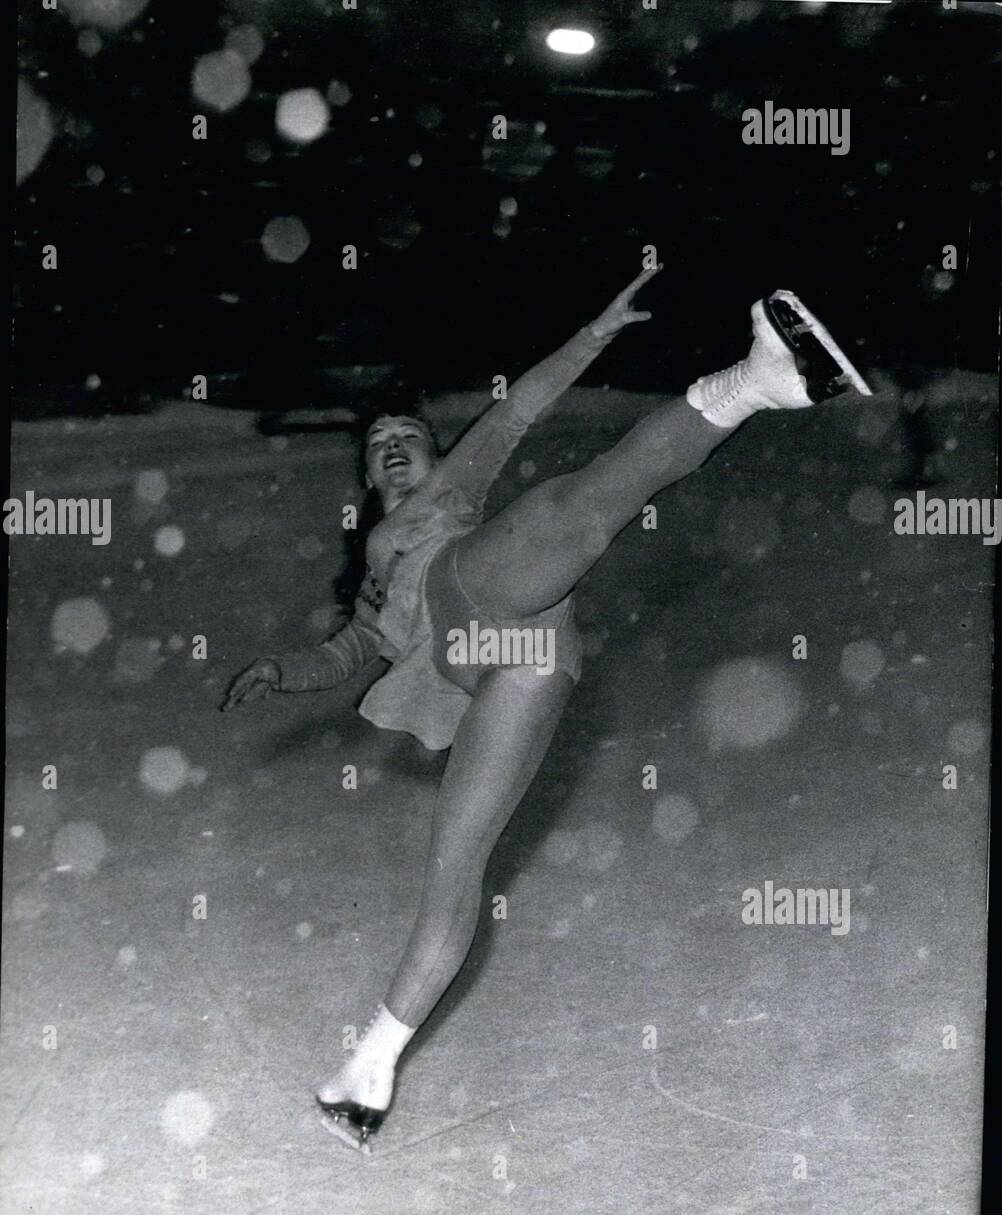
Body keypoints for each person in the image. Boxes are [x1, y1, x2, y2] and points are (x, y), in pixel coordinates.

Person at [221, 272, 870, 1151]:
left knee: (573, 505)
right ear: (368, 476)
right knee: (454, 873)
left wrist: (596, 328)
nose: (397, 448)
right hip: (476, 656)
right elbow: (347, 653)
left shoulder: (454, 489)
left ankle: (754, 383)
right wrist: (279, 668)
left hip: (514, 620)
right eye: (380, 446)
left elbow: (520, 405)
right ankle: (366, 1075)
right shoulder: (378, 575)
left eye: (408, 433)